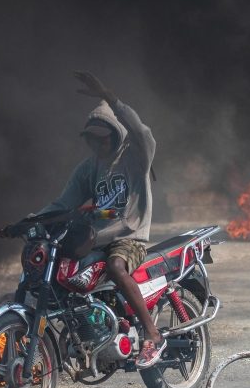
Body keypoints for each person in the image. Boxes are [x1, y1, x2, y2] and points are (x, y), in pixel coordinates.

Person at [39, 71, 165, 368]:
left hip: (128, 238)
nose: (97, 146)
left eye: (102, 139)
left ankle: (152, 333)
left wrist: (110, 96)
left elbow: (142, 132)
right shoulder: (88, 168)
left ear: (115, 133)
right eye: (91, 140)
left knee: (115, 266)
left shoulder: (135, 156)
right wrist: (30, 221)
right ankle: (90, 330)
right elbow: (63, 202)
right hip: (97, 237)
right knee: (65, 270)